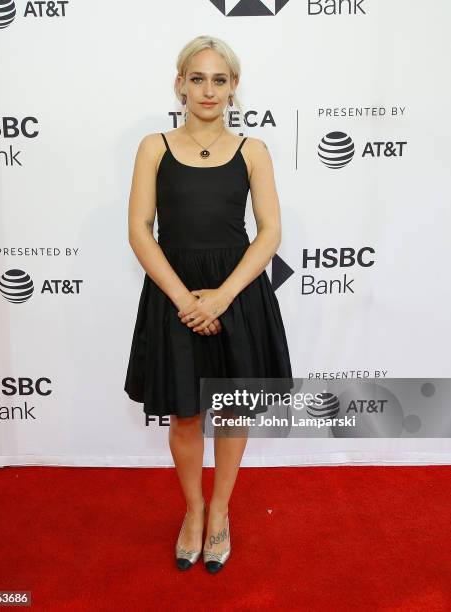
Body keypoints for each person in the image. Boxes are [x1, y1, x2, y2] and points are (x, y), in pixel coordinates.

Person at [124, 35, 293, 573]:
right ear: (180, 83)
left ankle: (220, 511)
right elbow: (139, 231)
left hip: (236, 293)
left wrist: (220, 298)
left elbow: (269, 234)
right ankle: (193, 512)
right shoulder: (154, 146)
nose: (208, 89)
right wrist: (185, 300)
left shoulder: (253, 151)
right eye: (197, 78)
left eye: (219, 79)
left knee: (234, 409)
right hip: (174, 294)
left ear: (234, 87)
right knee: (185, 412)